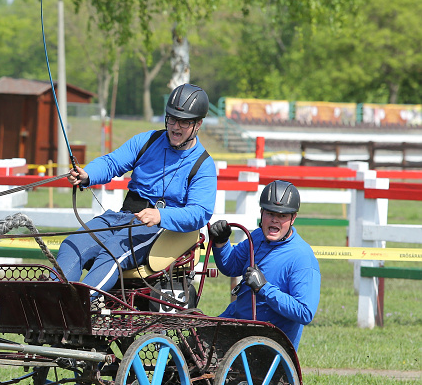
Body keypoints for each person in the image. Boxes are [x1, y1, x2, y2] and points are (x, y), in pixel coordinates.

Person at [56, 83, 218, 296]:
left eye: (184, 122)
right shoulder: (147, 141)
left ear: (198, 124)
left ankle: (80, 306)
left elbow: (200, 213)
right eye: (171, 118)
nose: (175, 127)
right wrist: (88, 175)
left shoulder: (203, 165)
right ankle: (52, 303)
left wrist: (160, 215)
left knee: (112, 253)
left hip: (160, 230)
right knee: (72, 245)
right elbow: (112, 162)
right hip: (122, 217)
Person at [209, 180, 321, 350]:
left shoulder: (302, 257)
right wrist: (221, 243)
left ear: (293, 218)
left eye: (282, 216)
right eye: (270, 213)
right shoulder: (257, 237)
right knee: (192, 347)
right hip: (236, 324)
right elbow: (230, 266)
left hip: (267, 340)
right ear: (261, 212)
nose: (275, 220)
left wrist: (264, 288)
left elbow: (305, 312)